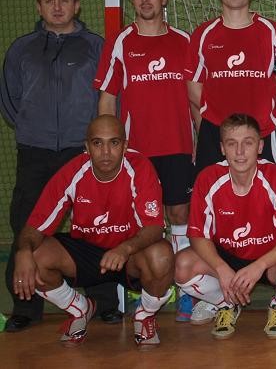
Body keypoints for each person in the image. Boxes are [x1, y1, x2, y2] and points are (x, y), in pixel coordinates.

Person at [0, 0, 119, 331]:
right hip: (35, 152)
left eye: (64, 0)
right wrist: (34, 128)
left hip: (82, 151)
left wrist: (92, 141)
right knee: (26, 223)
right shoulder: (21, 49)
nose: (57, 7)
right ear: (38, 7)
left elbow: (108, 97)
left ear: (77, 5)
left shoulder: (96, 47)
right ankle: (25, 306)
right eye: (49, 1)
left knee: (96, 223)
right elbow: (11, 101)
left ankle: (105, 302)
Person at [11, 115, 173, 348]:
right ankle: (80, 309)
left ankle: (145, 316)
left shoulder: (140, 168)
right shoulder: (72, 173)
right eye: (97, 143)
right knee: (34, 257)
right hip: (87, 252)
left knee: (162, 256)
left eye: (114, 142)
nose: (106, 152)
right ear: (87, 147)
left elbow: (155, 228)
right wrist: (23, 252)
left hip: (129, 254)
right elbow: (35, 227)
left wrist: (125, 248)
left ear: (125, 146)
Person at [93, 0, 196, 320]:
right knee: (140, 222)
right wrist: (108, 149)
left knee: (180, 215)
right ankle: (144, 290)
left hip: (179, 147)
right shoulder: (121, 42)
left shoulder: (184, 41)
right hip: (136, 152)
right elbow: (108, 99)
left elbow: (196, 99)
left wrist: (203, 145)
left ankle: (185, 289)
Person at [175, 114, 276, 339]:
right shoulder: (208, 178)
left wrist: (259, 266)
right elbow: (198, 235)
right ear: (222, 148)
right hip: (227, 257)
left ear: (260, 147)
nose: (240, 152)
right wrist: (221, 268)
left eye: (248, 143)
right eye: (232, 144)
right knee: (183, 265)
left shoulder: (275, 176)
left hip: (269, 260)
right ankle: (225, 304)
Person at [186, 0, 276, 173]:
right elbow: (194, 87)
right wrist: (218, 120)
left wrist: (266, 117)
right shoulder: (203, 34)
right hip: (215, 133)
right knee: (210, 191)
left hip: (261, 131)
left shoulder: (271, 31)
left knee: (268, 191)